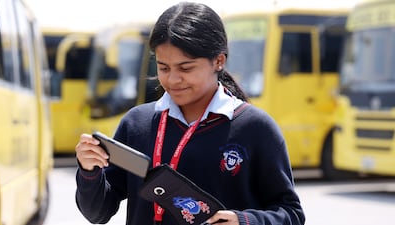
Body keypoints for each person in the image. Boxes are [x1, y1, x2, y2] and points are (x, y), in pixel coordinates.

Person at [75, 2, 305, 225]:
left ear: (219, 61)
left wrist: (244, 221)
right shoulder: (136, 124)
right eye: (163, 67)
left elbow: (291, 213)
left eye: (186, 68)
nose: (173, 79)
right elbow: (98, 213)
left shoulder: (256, 128)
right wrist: (89, 172)